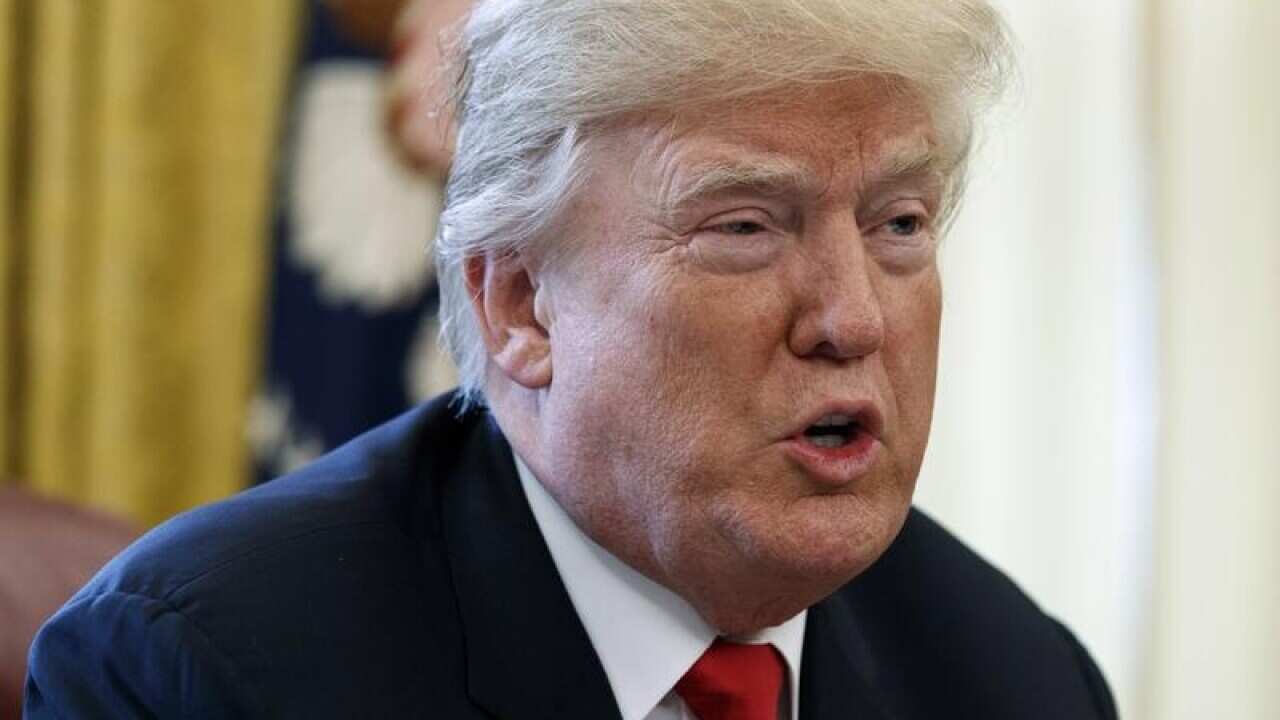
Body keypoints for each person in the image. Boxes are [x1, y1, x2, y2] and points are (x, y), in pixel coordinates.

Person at [24, 1, 1118, 718]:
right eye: (742, 226)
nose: (851, 318)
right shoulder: (198, 677)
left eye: (898, 225)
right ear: (519, 306)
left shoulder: (1013, 681)